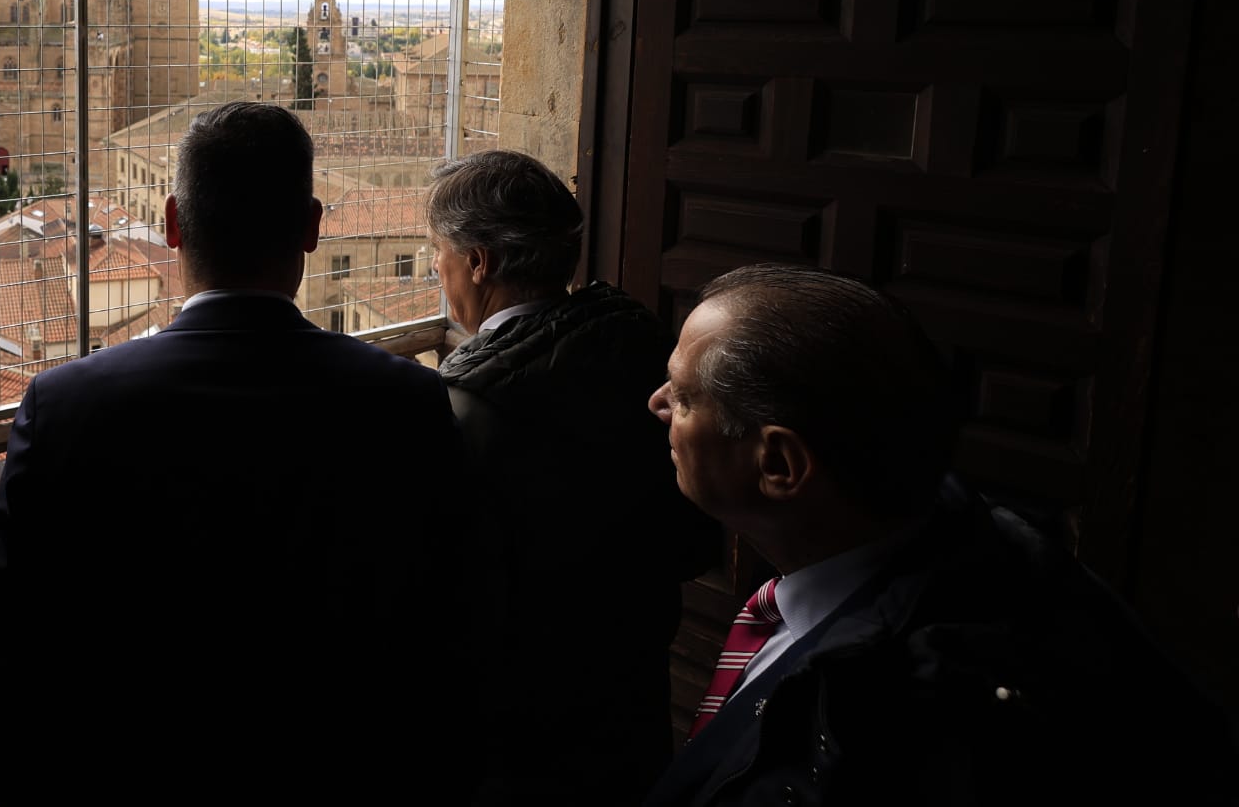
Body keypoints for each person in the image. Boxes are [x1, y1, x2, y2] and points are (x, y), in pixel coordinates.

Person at [0, 102, 468, 807]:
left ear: (173, 223)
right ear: (311, 227)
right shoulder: (408, 406)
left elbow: (17, 693)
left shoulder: (64, 408)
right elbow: (449, 659)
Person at [642, 263, 1232, 807]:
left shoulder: (911, 727)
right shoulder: (960, 536)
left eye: (687, 397)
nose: (658, 403)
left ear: (779, 466)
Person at [428, 150, 719, 805]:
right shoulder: (642, 347)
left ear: (480, 261)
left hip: (521, 731)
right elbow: (691, 535)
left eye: (439, 253)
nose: (438, 273)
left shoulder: (466, 408)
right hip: (632, 684)